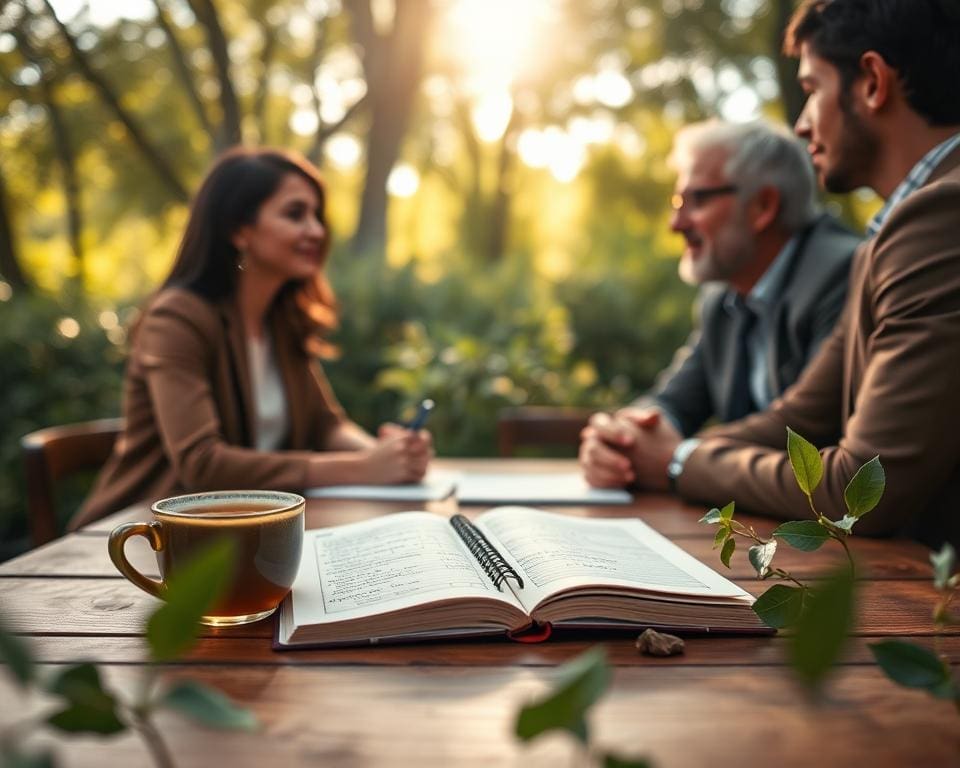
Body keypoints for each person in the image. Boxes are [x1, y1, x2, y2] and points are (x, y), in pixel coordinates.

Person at [581, 0, 960, 550]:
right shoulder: (890, 236)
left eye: (812, 87)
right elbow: (800, 418)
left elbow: (862, 489)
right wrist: (639, 446)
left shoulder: (938, 217)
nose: (802, 121)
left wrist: (681, 460)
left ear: (873, 82)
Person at [72, 147, 433, 528]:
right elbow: (202, 463)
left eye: (316, 215)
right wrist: (363, 468)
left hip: (239, 535)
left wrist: (389, 455)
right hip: (140, 542)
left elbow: (326, 425)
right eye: (295, 214)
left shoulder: (282, 321)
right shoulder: (177, 319)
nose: (316, 230)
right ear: (238, 229)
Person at [580, 119, 858, 482]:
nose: (675, 223)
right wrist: (621, 437)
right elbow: (673, 401)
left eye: (695, 200)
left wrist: (674, 457)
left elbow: (802, 429)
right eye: (676, 200)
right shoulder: (721, 298)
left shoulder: (843, 273)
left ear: (762, 206)